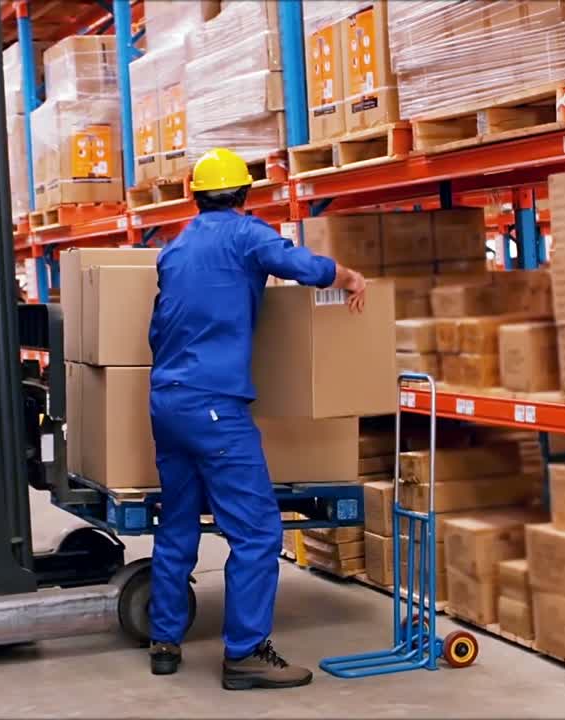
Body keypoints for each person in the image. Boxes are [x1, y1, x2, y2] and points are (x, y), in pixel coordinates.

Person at [146, 148, 368, 690]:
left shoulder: (174, 251)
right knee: (257, 531)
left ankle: (165, 640)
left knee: (177, 524)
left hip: (168, 401)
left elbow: (160, 327)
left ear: (193, 194)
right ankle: (245, 652)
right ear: (244, 195)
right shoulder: (246, 235)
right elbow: (299, 265)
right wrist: (347, 274)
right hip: (216, 407)